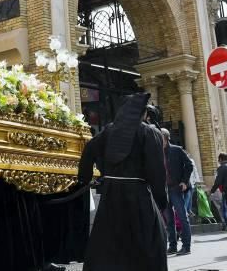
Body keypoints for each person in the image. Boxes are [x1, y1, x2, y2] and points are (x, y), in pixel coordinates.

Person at [77, 92, 167, 271]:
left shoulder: (109, 130)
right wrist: (161, 200)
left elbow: (89, 150)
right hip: (138, 196)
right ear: (143, 114)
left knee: (109, 244)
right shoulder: (149, 132)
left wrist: (84, 178)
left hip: (111, 195)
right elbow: (157, 170)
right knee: (147, 243)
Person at [160, 128, 193, 256]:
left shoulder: (176, 150)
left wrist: (184, 181)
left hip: (176, 188)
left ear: (166, 138)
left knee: (182, 217)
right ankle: (172, 246)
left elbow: (189, 166)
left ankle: (186, 246)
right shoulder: (157, 152)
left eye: (160, 138)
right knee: (169, 220)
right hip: (164, 189)